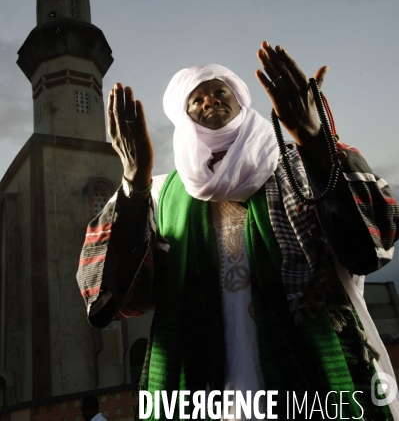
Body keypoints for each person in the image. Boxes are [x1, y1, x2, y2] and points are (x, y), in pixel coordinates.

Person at [78, 42, 399, 420]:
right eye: (196, 99)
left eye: (219, 91)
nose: (210, 101)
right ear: (184, 117)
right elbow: (115, 295)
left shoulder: (294, 161)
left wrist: (314, 138)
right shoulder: (163, 193)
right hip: (199, 385)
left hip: (305, 367)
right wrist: (134, 182)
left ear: (240, 100)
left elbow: (372, 243)